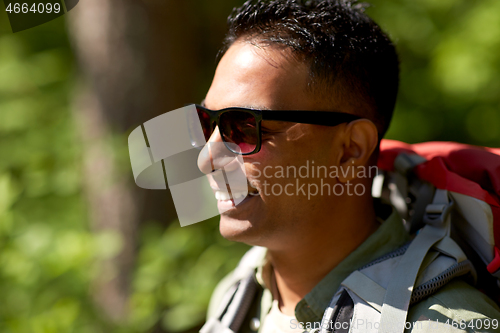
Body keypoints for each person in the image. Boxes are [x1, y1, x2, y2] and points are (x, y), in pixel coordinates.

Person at [195, 1, 500, 332]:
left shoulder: (444, 325)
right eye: (205, 123)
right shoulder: (239, 295)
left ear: (350, 150)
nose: (206, 159)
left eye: (243, 128)